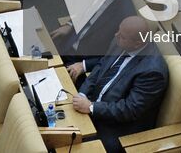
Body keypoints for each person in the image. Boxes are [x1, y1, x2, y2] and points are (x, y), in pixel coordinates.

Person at [68, 16, 168, 153]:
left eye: (122, 36)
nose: (116, 35)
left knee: (72, 146)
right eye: (118, 32)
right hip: (93, 104)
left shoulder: (153, 71)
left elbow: (129, 110)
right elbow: (100, 67)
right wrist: (82, 93)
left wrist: (91, 107)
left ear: (138, 44)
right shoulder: (120, 41)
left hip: (117, 126)